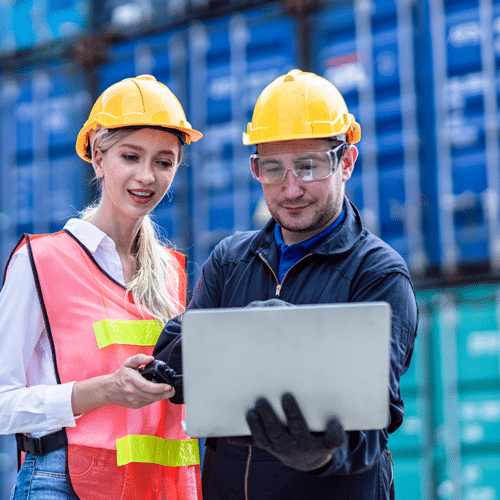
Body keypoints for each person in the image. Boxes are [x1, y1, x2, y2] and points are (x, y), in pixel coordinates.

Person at [153, 69, 418, 499]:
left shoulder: (378, 273)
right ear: (255, 168)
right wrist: (247, 335)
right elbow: (180, 357)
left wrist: (321, 454)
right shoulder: (229, 261)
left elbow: (375, 421)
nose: (290, 189)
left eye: (308, 167)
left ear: (345, 162)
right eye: (273, 170)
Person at [0, 75, 203, 500]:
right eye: (131, 156)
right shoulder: (42, 261)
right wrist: (101, 391)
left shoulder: (171, 273)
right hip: (64, 483)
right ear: (97, 156)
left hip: (157, 488)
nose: (146, 176)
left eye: (164, 162)